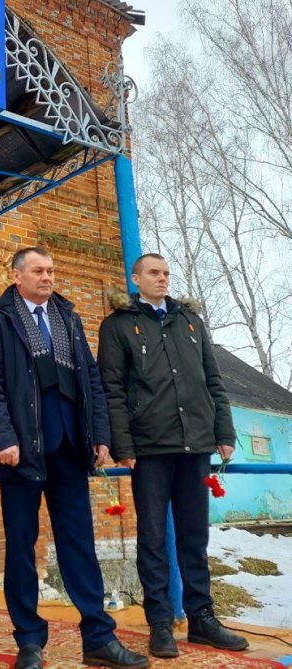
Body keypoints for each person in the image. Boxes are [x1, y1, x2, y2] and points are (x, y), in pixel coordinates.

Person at [0, 247, 149, 669]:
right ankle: (29, 642)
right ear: (16, 276)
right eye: (38, 270)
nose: (47, 277)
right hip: (21, 452)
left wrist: (100, 436)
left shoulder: (67, 316)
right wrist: (3, 437)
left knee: (79, 545)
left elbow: (91, 379)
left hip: (70, 449)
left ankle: (98, 638)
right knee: (21, 548)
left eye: (51, 271)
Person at [97, 252, 248, 658]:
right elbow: (112, 389)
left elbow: (213, 380)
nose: (162, 278)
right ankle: (160, 623)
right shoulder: (117, 325)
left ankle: (202, 619)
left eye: (166, 273)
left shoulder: (190, 321)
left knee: (195, 537)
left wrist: (224, 432)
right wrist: (123, 445)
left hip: (196, 444)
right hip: (149, 448)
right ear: (136, 278)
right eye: (153, 272)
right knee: (152, 539)